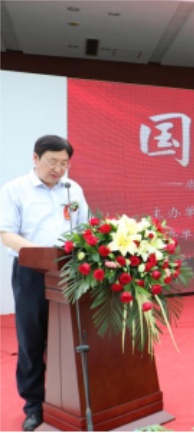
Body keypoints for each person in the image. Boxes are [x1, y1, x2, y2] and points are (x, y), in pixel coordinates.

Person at [0, 135, 89, 431]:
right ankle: (34, 405)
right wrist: (43, 256)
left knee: (70, 338)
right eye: (52, 162)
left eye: (64, 163)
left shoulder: (72, 189)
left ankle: (73, 400)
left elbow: (86, 228)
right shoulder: (15, 190)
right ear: (35, 158)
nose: (58, 169)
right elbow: (6, 234)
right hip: (31, 273)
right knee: (32, 340)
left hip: (70, 273)